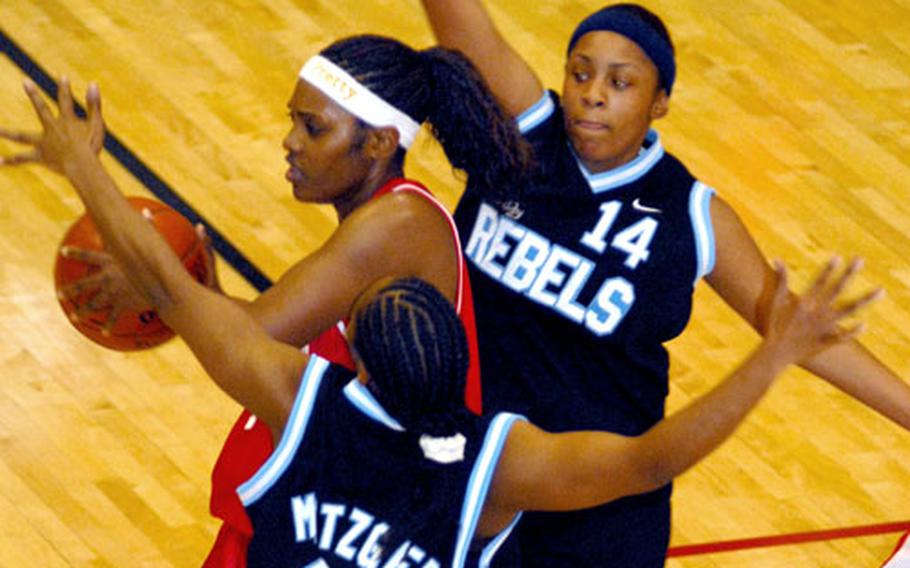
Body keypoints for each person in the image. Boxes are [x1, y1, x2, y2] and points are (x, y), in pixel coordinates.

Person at [0, 76, 881, 566]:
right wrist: (776, 355)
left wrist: (87, 168)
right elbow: (652, 458)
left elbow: (173, 286)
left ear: (353, 368)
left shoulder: (305, 409)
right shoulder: (493, 471)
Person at [0, 35, 531, 567]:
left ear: (379, 143)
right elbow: (259, 334)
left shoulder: (398, 225)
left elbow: (249, 338)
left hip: (353, 531)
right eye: (293, 120)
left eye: (314, 127)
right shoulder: (389, 219)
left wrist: (86, 173)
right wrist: (209, 299)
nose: (290, 141)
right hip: (320, 514)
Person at [418, 1, 910, 565]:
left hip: (602, 501)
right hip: (468, 465)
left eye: (620, 82)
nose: (594, 92)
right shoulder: (524, 135)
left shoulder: (690, 214)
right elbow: (459, 22)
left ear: (660, 103)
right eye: (580, 73)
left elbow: (790, 322)